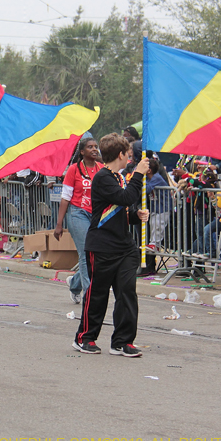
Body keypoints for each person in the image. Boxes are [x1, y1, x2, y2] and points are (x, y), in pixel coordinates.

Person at [73, 133, 149, 357]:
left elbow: (121, 208)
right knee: (98, 294)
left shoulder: (119, 178)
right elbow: (124, 198)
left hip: (124, 246)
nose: (130, 158)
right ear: (120, 155)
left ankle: (122, 341)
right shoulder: (103, 177)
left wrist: (135, 215)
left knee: (127, 293)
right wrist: (138, 176)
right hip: (101, 246)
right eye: (128, 154)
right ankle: (85, 337)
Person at [53, 137, 104, 304]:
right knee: (86, 254)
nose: (94, 150)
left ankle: (75, 283)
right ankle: (90, 297)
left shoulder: (102, 169)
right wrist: (59, 224)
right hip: (77, 214)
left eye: (96, 147)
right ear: (82, 151)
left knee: (95, 256)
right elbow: (65, 197)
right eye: (90, 147)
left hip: (96, 215)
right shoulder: (74, 170)